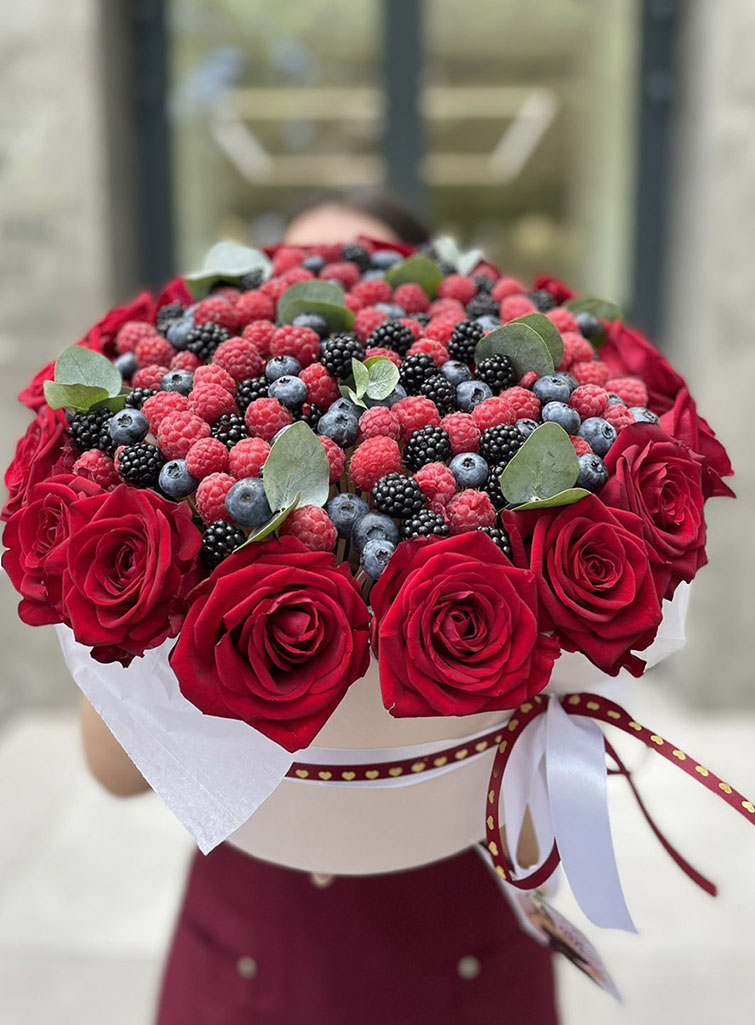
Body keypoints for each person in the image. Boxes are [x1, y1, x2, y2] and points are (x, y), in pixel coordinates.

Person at [81, 188, 559, 1025]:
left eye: (360, 271)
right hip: (248, 956)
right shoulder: (199, 497)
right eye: (298, 276)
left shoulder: (508, 536)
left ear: (429, 299)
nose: (329, 298)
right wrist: (174, 611)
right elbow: (113, 771)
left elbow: (537, 827)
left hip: (464, 955)